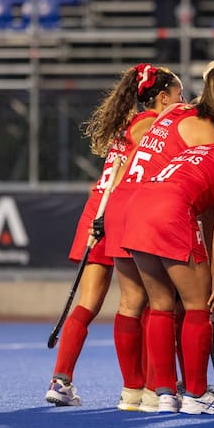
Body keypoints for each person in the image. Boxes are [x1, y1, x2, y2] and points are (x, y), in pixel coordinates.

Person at [105, 57, 214, 413]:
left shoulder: (174, 111)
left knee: (150, 304)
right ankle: (196, 394)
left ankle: (155, 392)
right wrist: (213, 272)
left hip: (130, 202)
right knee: (196, 303)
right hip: (166, 209)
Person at [45, 63, 182, 408]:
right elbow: (132, 174)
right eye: (179, 96)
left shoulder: (128, 125)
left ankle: (61, 380)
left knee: (89, 302)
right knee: (146, 300)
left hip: (99, 208)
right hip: (117, 212)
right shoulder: (151, 125)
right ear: (163, 98)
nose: (183, 103)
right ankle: (148, 386)